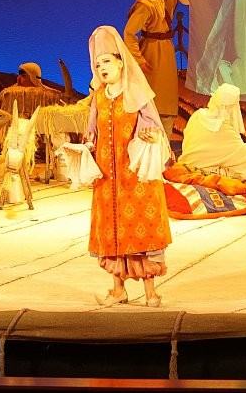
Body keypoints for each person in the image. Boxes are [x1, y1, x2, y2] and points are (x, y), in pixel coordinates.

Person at [84, 25, 172, 308]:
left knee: (141, 228)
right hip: (107, 178)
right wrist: (84, 148)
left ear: (121, 62)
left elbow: (154, 129)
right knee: (111, 230)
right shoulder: (99, 97)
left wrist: (151, 135)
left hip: (135, 176)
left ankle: (151, 293)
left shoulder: (137, 94)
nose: (101, 68)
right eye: (97, 64)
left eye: (106, 61)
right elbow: (92, 134)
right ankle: (118, 290)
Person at [124, 0, 190, 139]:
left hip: (166, 48)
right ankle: (147, 132)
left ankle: (165, 136)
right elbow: (129, 32)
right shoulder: (146, 4)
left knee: (168, 95)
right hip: (151, 51)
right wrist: (138, 59)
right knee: (152, 95)